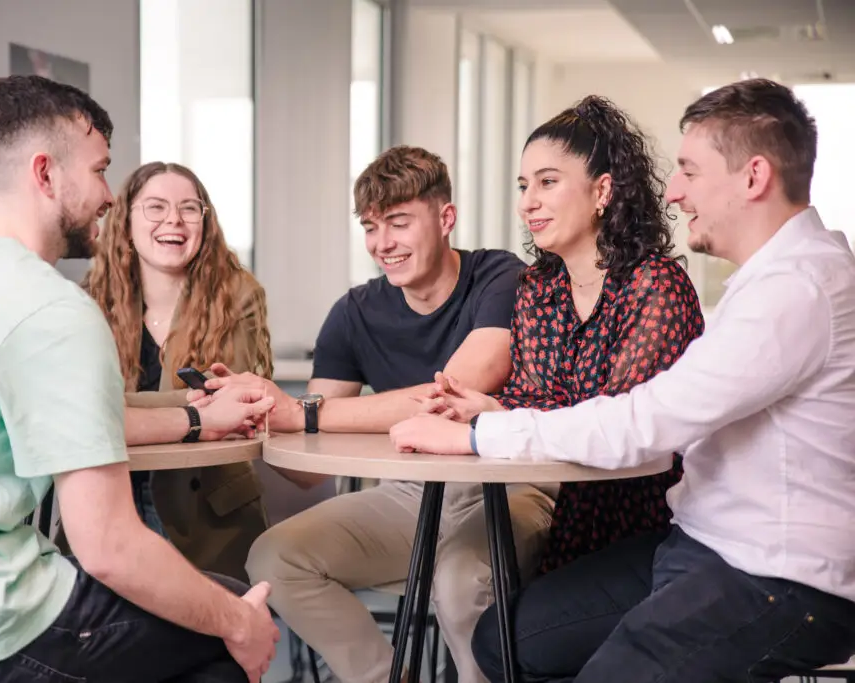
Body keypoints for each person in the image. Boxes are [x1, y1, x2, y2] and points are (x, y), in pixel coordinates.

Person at [393, 79, 855, 683]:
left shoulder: (794, 290)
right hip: (697, 542)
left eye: (690, 171)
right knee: (503, 643)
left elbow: (643, 422)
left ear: (753, 177)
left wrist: (481, 433)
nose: (674, 191)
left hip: (776, 576)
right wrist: (497, 418)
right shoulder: (771, 278)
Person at [0, 75, 279, 683]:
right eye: (99, 171)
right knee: (228, 622)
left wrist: (194, 419)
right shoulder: (52, 309)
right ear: (45, 174)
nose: (107, 197)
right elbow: (110, 548)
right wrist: (239, 624)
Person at [204, 145, 556, 683]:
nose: (382, 244)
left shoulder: (500, 277)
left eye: (398, 222)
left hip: (505, 484)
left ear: (445, 218)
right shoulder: (354, 313)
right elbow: (306, 467)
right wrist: (259, 413)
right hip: (409, 492)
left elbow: (450, 396)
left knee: (460, 583)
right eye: (370, 226)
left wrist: (301, 412)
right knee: (276, 558)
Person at [418, 95, 704, 576]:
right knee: (468, 582)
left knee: (505, 626)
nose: (527, 202)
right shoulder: (538, 288)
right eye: (524, 185)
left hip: (660, 523)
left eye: (548, 182)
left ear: (602, 192)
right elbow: (535, 396)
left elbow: (619, 425)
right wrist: (488, 406)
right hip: (573, 511)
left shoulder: (654, 285)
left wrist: (498, 413)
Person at [80, 161, 273, 581]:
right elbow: (76, 410)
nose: (174, 220)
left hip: (208, 514)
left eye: (189, 208)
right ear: (126, 221)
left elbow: (237, 402)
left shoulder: (238, 295)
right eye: (155, 207)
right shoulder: (88, 302)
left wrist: (113, 407)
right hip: (109, 506)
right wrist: (196, 407)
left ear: (205, 222)